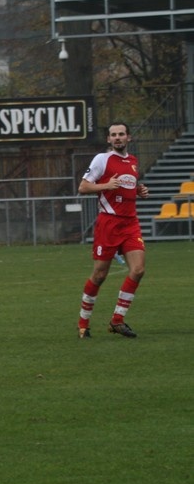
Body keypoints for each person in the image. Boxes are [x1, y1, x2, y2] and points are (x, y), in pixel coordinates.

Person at [76, 122, 149, 339]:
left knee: (138, 270)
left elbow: (128, 186)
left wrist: (139, 190)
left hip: (130, 223)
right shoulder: (102, 159)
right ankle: (83, 322)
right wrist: (105, 186)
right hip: (108, 223)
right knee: (100, 275)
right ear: (109, 139)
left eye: (121, 134)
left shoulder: (133, 161)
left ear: (129, 138)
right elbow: (83, 187)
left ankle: (117, 320)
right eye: (113, 135)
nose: (117, 137)